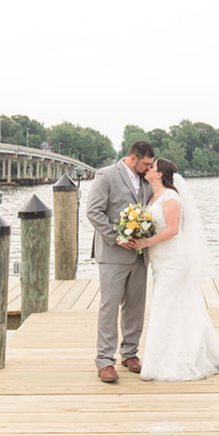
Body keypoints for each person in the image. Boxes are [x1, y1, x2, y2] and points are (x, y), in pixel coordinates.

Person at [127, 159, 219, 382]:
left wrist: (147, 242)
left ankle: (171, 361)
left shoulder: (171, 197)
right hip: (160, 261)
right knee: (177, 305)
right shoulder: (153, 196)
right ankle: (189, 348)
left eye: (153, 167)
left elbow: (175, 230)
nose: (148, 169)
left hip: (174, 260)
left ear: (159, 174)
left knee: (164, 306)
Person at [85, 140, 155, 382]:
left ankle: (130, 353)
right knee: (110, 306)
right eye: (146, 164)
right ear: (133, 158)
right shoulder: (105, 176)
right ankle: (104, 360)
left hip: (139, 254)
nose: (149, 168)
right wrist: (116, 238)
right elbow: (94, 212)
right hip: (113, 254)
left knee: (135, 306)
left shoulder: (147, 179)